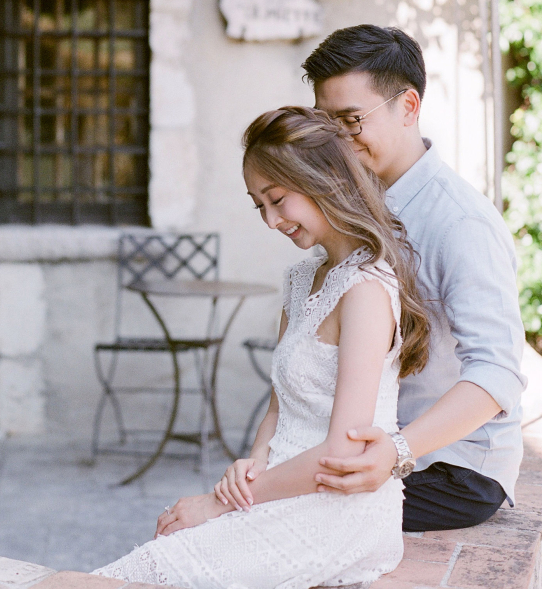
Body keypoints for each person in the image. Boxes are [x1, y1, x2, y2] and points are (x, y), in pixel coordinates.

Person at [93, 106, 430, 589]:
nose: (271, 220)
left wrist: (220, 502)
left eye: (277, 200)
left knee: (141, 572)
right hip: (278, 488)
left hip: (338, 510)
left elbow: (343, 452)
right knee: (149, 557)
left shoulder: (366, 290)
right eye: (259, 206)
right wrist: (248, 469)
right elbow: (279, 407)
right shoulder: (301, 281)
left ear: (325, 180)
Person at [301, 24, 525, 531]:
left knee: (284, 521)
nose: (337, 140)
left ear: (408, 106)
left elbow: (497, 373)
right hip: (377, 451)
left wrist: (397, 451)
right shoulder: (354, 203)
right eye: (324, 124)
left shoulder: (461, 222)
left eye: (351, 121)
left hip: (452, 469)